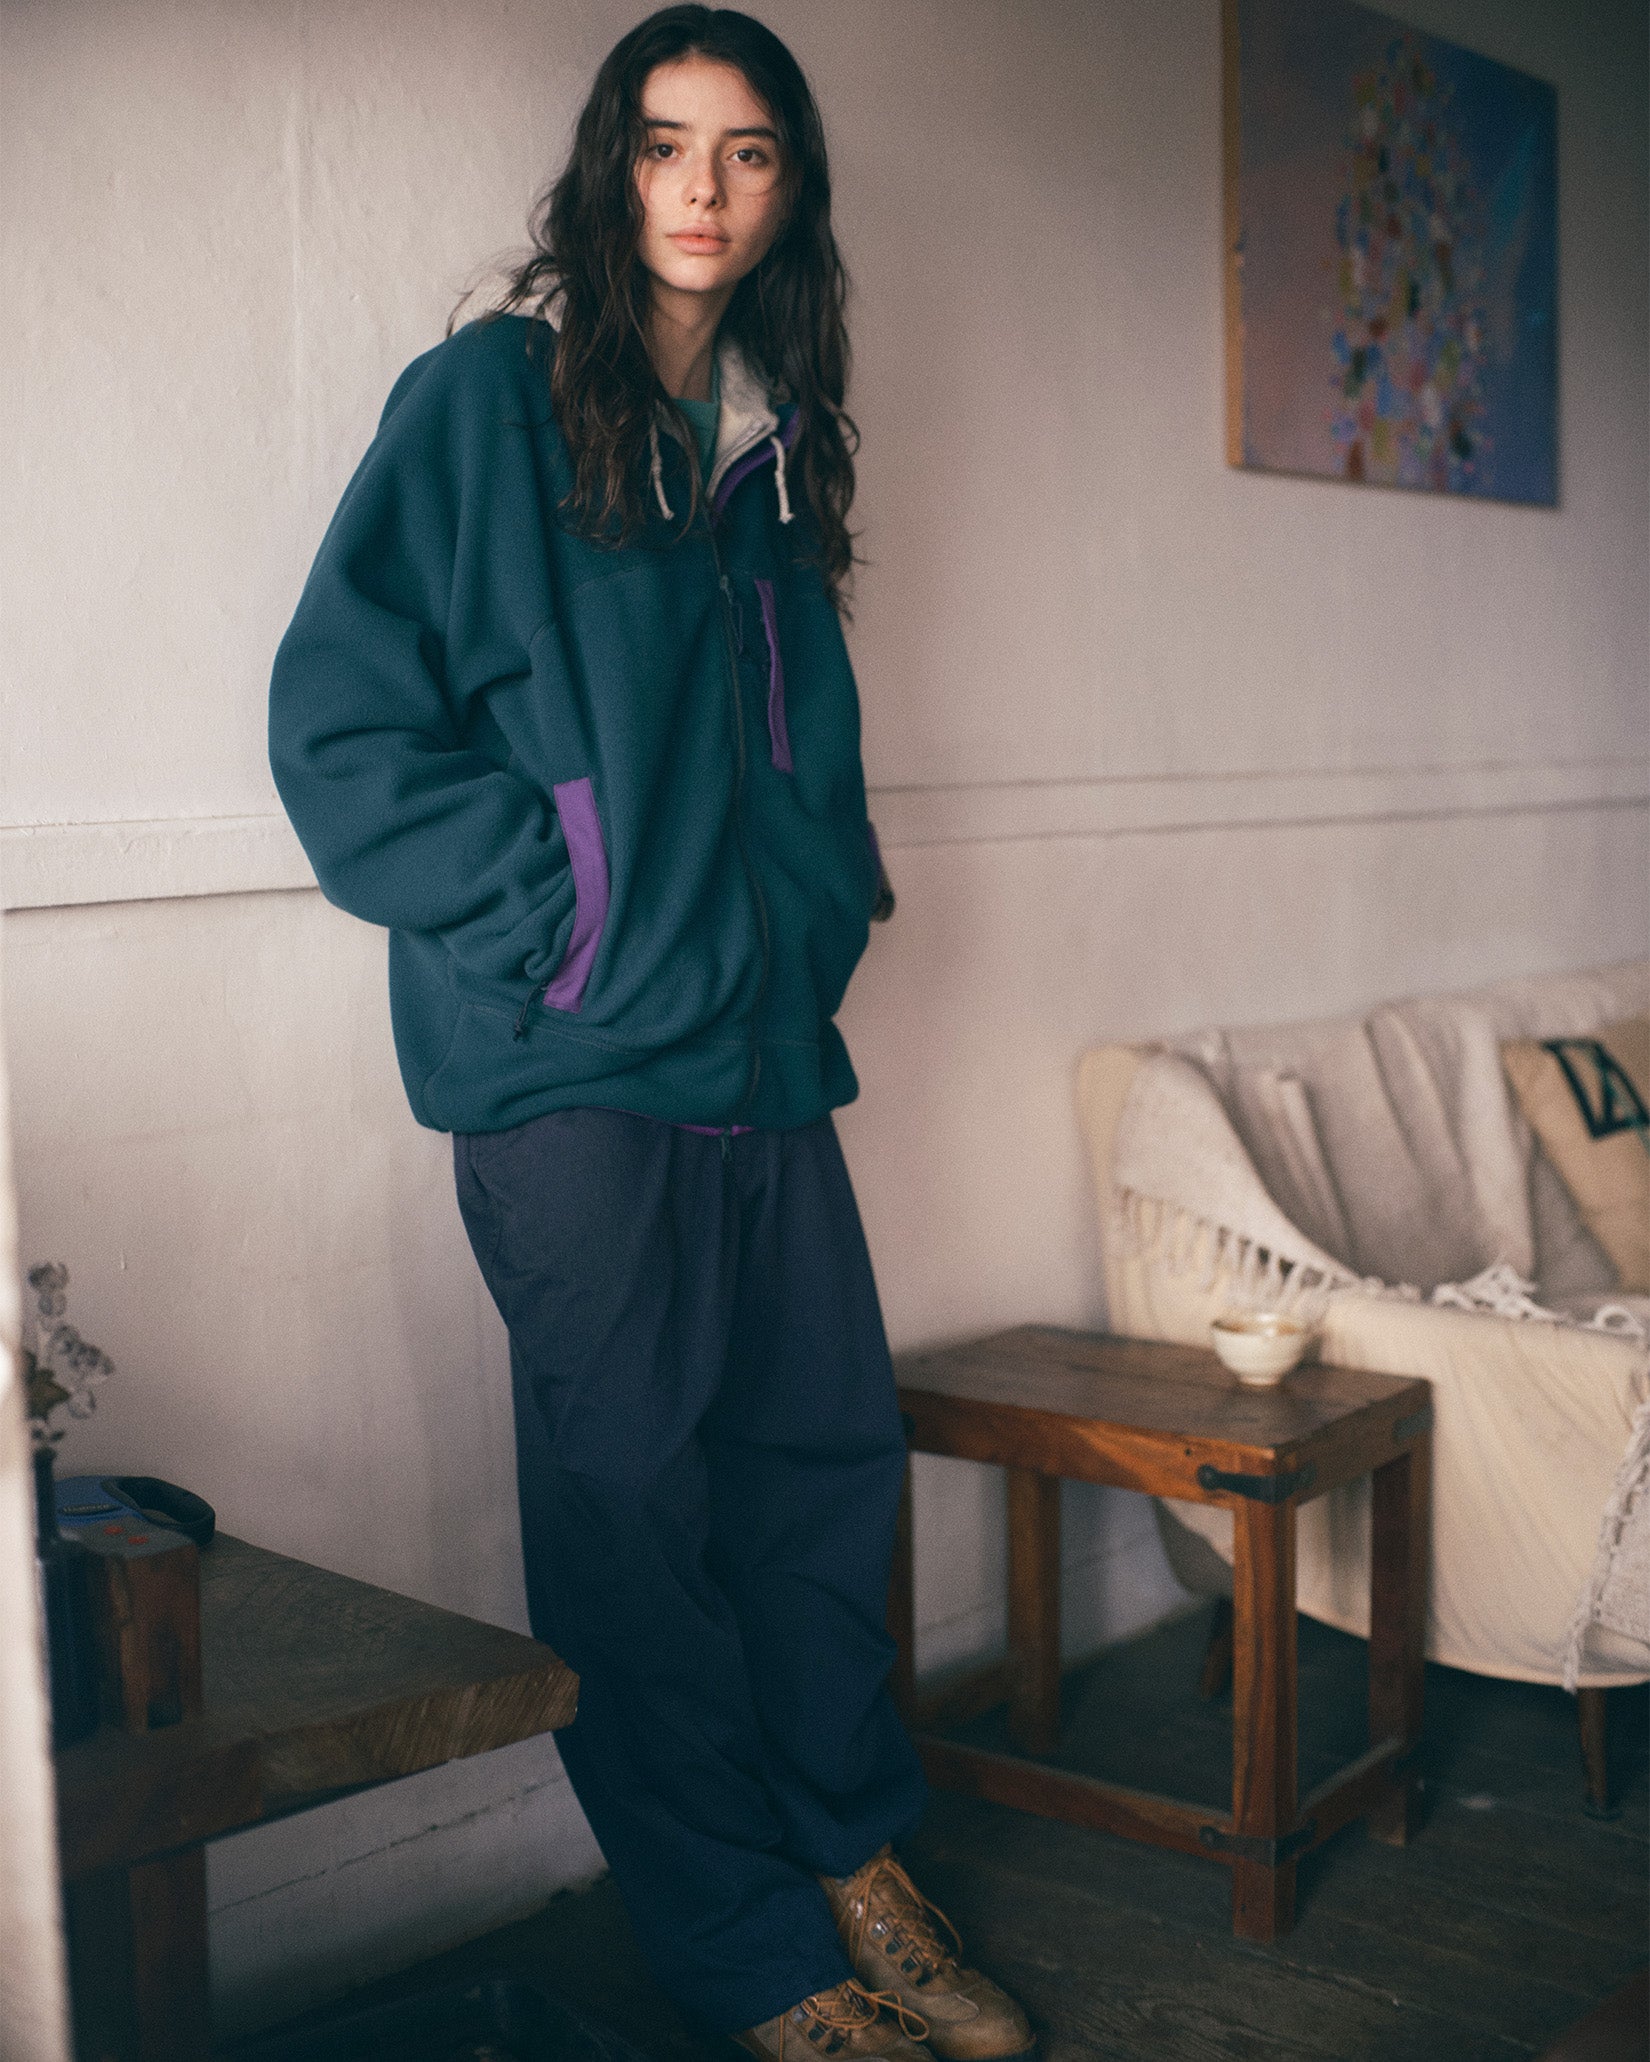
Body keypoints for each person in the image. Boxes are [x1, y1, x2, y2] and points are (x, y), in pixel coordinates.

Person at [269, 10, 1034, 2058]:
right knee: (635, 1515)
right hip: (574, 1073)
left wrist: (813, 923)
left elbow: (797, 756)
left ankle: (851, 1852)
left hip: (761, 1057)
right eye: (666, 142)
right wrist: (564, 925)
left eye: (749, 149)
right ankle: (743, 1947)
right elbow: (340, 721)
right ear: (610, 167)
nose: (703, 186)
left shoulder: (772, 445)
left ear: (790, 191)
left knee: (816, 1473)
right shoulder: (489, 403)